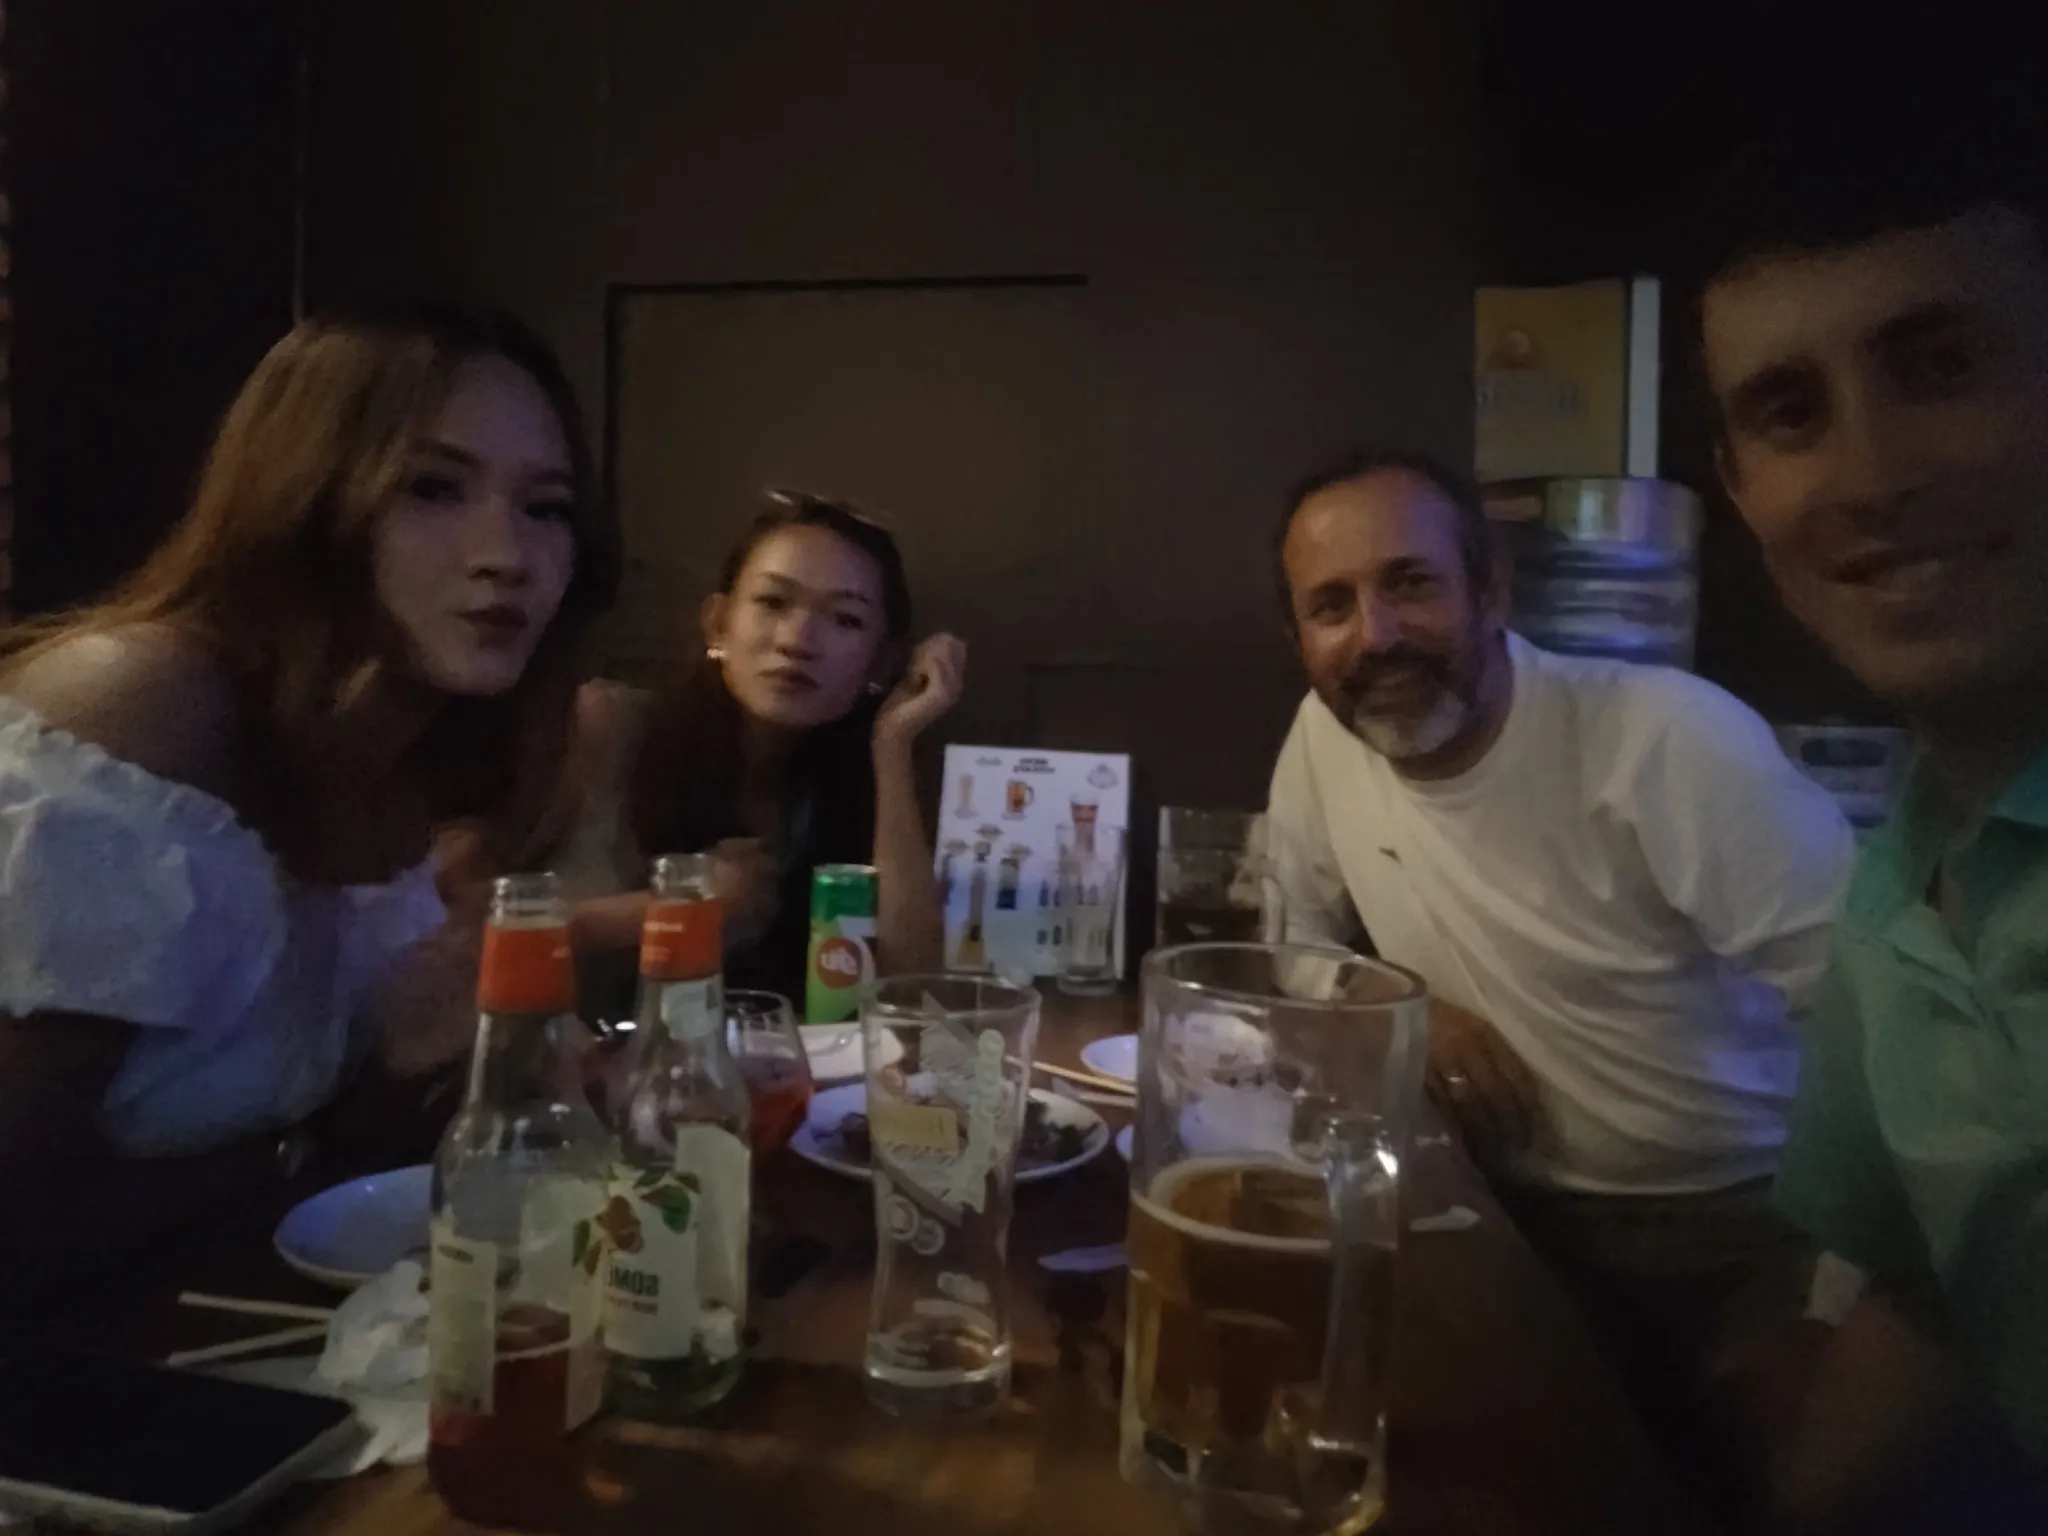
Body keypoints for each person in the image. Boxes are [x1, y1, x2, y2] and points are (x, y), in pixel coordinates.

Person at [1265, 448, 1854, 1501]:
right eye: (1331, 606)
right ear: (1300, 639)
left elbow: (1865, 1007)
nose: (1375, 635)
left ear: (1491, 589)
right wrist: (1398, 1007)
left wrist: (1835, 1310)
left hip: (1742, 1228)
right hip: (1492, 1211)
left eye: (1409, 582)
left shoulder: (1665, 739)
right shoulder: (1324, 735)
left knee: (1799, 1484)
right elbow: (1291, 946)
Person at [0, 302, 619, 1301]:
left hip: (235, 1337)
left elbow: (325, 1141)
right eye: (432, 488)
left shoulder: (405, 747)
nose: (507, 553)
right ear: (305, 497)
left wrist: (455, 1079)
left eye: (545, 507)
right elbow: (18, 1218)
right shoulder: (140, 708)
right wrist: (320, 1144)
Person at [1701, 99, 2048, 1532]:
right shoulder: (1899, 873)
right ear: (1739, 490)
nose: (1870, 476)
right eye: (1792, 414)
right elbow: (1931, 1288)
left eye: (1941, 365)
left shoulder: (1682, 746)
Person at [554, 490, 962, 1002]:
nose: (797, 640)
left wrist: (893, 743)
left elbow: (912, 984)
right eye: (773, 602)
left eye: (845, 619)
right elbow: (482, 931)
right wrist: (683, 910)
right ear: (718, 623)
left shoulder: (848, 783)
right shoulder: (606, 726)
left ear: (879, 662)